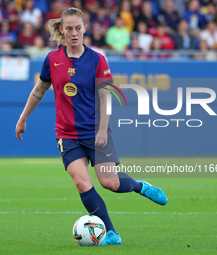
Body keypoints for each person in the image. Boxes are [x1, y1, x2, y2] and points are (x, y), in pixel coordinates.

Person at [15, 7, 168, 246]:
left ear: (85, 29)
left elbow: (106, 97)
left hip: (97, 130)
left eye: (78, 28)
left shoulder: (97, 60)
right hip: (67, 134)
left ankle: (141, 186)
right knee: (82, 183)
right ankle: (111, 233)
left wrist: (101, 129)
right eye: (69, 29)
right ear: (62, 30)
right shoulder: (52, 60)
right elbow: (39, 89)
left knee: (110, 183)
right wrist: (23, 118)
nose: (74, 33)